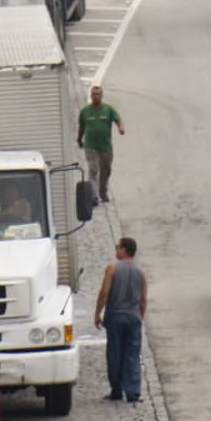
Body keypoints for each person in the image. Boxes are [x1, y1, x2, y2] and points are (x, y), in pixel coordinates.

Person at [93, 237, 147, 403]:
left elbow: (104, 292)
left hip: (116, 316)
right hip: (133, 317)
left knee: (115, 354)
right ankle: (133, 392)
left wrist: (97, 313)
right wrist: (140, 317)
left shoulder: (112, 269)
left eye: (118, 247)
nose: (116, 250)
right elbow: (143, 299)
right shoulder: (141, 272)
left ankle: (116, 390)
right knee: (132, 354)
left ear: (124, 250)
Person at [77, 85, 125, 202]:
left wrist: (121, 128)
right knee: (93, 171)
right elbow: (82, 127)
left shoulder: (108, 109)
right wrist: (79, 139)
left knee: (106, 171)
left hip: (105, 147)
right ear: (91, 96)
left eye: (98, 94)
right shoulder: (85, 111)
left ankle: (103, 192)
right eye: (93, 94)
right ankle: (94, 196)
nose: (95, 96)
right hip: (90, 146)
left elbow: (118, 119)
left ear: (102, 96)